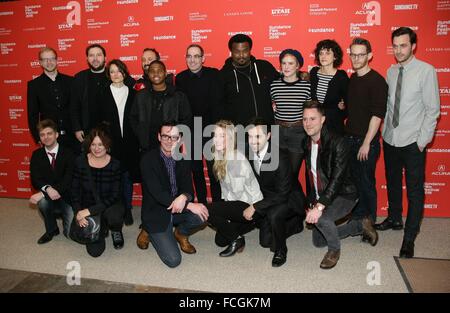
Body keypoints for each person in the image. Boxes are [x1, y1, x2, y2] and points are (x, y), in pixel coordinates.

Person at [377, 27, 440, 258]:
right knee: (393, 182)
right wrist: (385, 132)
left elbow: (433, 110)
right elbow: (389, 105)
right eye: (395, 46)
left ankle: (410, 236)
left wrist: (422, 141)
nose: (399, 50)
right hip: (391, 139)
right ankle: (394, 218)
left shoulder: (426, 71)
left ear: (413, 46)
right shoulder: (391, 71)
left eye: (403, 45)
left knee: (414, 191)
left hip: (413, 142)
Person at [303, 100, 378, 269]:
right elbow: (311, 176)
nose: (308, 123)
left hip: (345, 193)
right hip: (325, 193)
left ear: (322, 119)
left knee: (322, 219)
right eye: (305, 119)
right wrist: (310, 203)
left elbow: (337, 179)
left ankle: (334, 251)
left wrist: (320, 206)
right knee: (318, 240)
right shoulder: (306, 143)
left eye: (312, 119)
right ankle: (359, 225)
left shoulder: (338, 142)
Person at [137, 123, 208, 268]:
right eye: (165, 136)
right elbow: (158, 194)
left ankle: (180, 233)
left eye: (174, 137)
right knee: (173, 260)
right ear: (159, 137)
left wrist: (184, 198)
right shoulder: (147, 160)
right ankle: (147, 229)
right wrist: (188, 204)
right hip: (156, 212)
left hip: (178, 208)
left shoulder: (182, 159)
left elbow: (188, 189)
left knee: (202, 214)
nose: (170, 141)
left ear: (180, 139)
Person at [247, 117, 306, 267]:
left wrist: (255, 206)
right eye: (250, 136)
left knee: (274, 216)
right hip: (270, 198)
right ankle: (295, 225)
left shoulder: (280, 157)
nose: (253, 141)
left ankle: (281, 251)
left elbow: (283, 194)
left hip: (289, 199)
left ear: (268, 136)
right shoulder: (250, 153)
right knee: (265, 242)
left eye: (258, 136)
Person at [345, 38, 387, 225]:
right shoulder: (353, 78)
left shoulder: (377, 81)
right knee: (355, 182)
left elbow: (377, 116)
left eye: (361, 54)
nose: (356, 58)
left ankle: (369, 222)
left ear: (369, 55)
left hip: (365, 142)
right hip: (350, 139)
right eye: (353, 54)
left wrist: (366, 143)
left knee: (366, 183)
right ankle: (358, 217)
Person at [207, 120, 264, 257]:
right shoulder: (219, 156)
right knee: (220, 241)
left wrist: (225, 213)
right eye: (216, 135)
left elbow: (237, 195)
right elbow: (225, 190)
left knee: (205, 210)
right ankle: (243, 229)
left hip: (251, 206)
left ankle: (237, 239)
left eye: (222, 136)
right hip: (238, 203)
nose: (217, 139)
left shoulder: (236, 160)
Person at [175, 44, 222, 204]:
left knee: (214, 170)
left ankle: (216, 205)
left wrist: (217, 131)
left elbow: (218, 103)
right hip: (191, 132)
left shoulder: (214, 74)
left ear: (203, 58)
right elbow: (179, 108)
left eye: (196, 56)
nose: (192, 60)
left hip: (211, 130)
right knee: (196, 171)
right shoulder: (180, 78)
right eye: (189, 56)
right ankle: (201, 202)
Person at [71, 126, 124, 257]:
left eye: (100, 144)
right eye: (93, 144)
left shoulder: (115, 165)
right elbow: (74, 190)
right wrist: (79, 212)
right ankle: (102, 227)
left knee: (116, 214)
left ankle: (115, 229)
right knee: (95, 252)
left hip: (107, 206)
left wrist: (88, 212)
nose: (96, 148)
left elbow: (114, 196)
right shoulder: (80, 162)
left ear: (107, 145)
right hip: (86, 205)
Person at [99, 59, 139, 226]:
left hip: (129, 141)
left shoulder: (133, 92)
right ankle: (116, 209)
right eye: (112, 71)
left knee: (127, 177)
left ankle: (128, 208)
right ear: (109, 74)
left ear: (124, 73)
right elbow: (98, 119)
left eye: (119, 71)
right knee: (113, 177)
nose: (116, 74)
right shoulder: (102, 93)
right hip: (111, 142)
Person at [130, 60, 192, 153]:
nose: (156, 74)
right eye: (152, 71)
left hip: (171, 148)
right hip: (147, 147)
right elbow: (133, 117)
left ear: (165, 73)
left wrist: (174, 136)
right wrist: (141, 133)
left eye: (159, 71)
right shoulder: (141, 96)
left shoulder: (178, 95)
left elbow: (187, 119)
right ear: (148, 74)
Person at [29, 119, 75, 244]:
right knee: (42, 203)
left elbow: (69, 179)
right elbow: (35, 179)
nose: (46, 137)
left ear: (56, 135)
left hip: (67, 196)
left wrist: (44, 192)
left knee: (70, 235)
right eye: (42, 135)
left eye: (49, 133)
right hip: (49, 196)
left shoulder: (69, 153)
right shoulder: (36, 155)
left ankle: (67, 225)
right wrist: (47, 190)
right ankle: (51, 229)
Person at [220, 34, 279, 126]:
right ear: (231, 52)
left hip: (269, 129)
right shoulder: (223, 75)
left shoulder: (265, 67)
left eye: (245, 51)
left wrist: (300, 74)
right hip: (240, 132)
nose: (241, 55)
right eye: (237, 52)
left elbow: (284, 81)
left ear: (250, 51)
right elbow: (220, 107)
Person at [270, 48, 311, 180]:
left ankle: (294, 201)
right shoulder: (274, 86)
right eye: (284, 63)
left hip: (298, 132)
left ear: (298, 65)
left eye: (291, 63)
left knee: (292, 174)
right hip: (278, 131)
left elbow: (311, 110)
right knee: (278, 173)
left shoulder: (306, 86)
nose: (286, 67)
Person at [27, 47, 78, 151]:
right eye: (45, 59)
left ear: (57, 60)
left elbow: (76, 108)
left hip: (72, 137)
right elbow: (32, 115)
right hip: (50, 138)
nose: (49, 62)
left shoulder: (71, 81)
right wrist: (38, 138)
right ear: (40, 62)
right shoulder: (34, 85)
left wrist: (78, 129)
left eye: (52, 58)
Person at [310, 39, 349, 135]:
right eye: (321, 53)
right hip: (315, 126)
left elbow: (349, 104)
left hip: (334, 126)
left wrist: (342, 109)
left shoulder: (341, 77)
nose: (323, 56)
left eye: (327, 53)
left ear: (335, 56)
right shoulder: (313, 73)